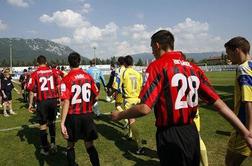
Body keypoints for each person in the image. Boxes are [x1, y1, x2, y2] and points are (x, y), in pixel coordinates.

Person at [111, 30, 252, 166]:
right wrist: (245, 132)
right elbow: (220, 105)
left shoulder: (157, 66)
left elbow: (144, 108)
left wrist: (120, 115)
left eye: (152, 48)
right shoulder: (193, 68)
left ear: (157, 45)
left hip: (170, 134)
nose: (152, 52)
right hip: (191, 132)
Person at [60, 52, 100, 166]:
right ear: (80, 61)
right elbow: (96, 95)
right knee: (89, 145)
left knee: (70, 145)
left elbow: (66, 101)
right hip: (87, 115)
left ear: (69, 63)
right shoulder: (88, 76)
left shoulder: (66, 79)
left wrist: (62, 123)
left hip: (73, 116)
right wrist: (90, 104)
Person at [224, 37, 252, 166]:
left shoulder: (243, 68)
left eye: (228, 53)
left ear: (236, 50)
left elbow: (248, 101)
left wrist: (248, 131)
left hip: (243, 125)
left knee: (230, 163)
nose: (228, 58)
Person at [27, 55, 60, 155]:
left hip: (43, 101)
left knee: (42, 125)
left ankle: (45, 149)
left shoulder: (34, 73)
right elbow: (58, 85)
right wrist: (59, 98)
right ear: (46, 62)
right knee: (52, 122)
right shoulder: (53, 71)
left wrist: (30, 104)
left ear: (37, 63)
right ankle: (53, 144)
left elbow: (31, 90)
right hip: (53, 100)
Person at [121, 55, 144, 154]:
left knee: (132, 121)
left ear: (125, 63)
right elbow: (142, 85)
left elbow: (118, 85)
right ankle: (130, 135)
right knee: (132, 121)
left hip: (129, 100)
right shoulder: (137, 73)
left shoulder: (124, 72)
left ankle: (140, 146)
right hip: (137, 99)